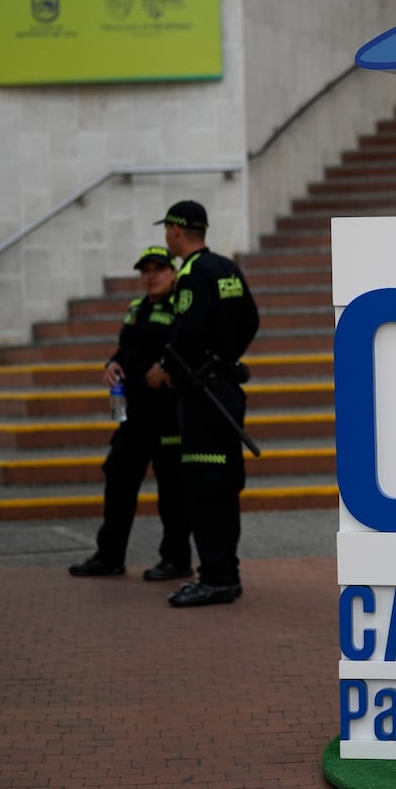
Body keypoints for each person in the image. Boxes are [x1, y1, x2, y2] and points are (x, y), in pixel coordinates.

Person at [147, 200, 260, 608]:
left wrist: (168, 365)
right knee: (225, 484)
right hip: (226, 388)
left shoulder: (192, 273)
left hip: (203, 397)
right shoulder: (227, 267)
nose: (166, 237)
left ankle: (215, 577)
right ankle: (224, 574)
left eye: (167, 230)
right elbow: (251, 319)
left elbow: (188, 330)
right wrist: (225, 358)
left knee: (204, 486)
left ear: (177, 230)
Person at [70, 246, 193, 580]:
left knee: (172, 490)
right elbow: (126, 350)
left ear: (174, 273)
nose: (151, 276)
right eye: (145, 270)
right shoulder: (136, 308)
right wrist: (111, 364)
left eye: (159, 269)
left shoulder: (181, 308)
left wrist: (165, 368)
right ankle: (109, 556)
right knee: (119, 479)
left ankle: (177, 559)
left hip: (167, 413)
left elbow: (187, 349)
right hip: (134, 413)